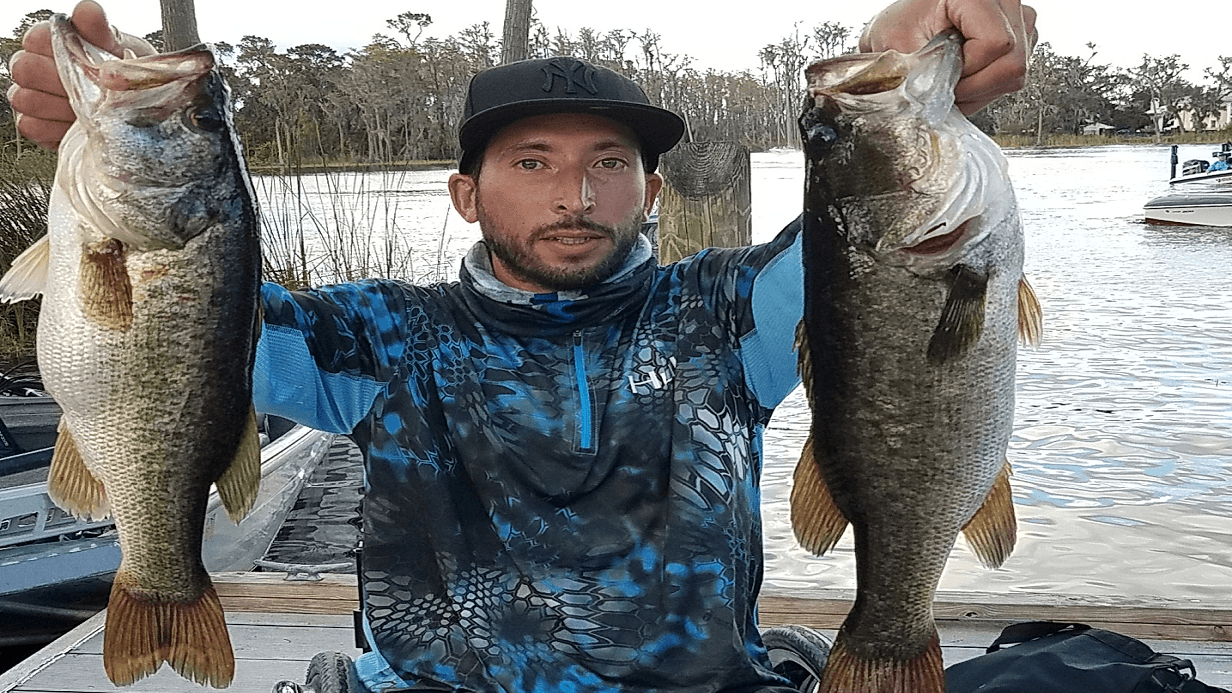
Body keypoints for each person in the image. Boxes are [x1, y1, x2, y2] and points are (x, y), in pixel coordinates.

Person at [8, 1, 1036, 691]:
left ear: (651, 189)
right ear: (465, 193)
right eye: (531, 160)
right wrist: (123, 165)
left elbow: (870, 252)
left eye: (609, 163)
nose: (574, 196)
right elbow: (183, 328)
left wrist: (905, 36)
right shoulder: (379, 338)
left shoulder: (726, 317)